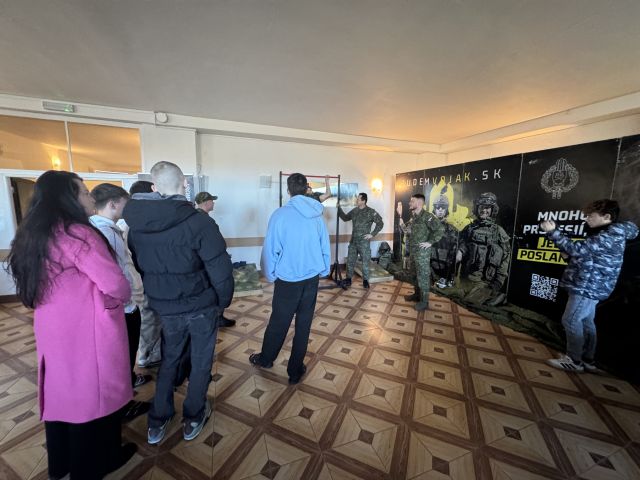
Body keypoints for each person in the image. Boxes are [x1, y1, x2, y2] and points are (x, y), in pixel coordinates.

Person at [7, 170, 136, 479]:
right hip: (87, 327)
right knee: (92, 396)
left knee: (63, 394)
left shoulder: (34, 232)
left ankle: (61, 464)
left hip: (52, 326)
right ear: (68, 197)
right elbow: (115, 283)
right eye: (84, 191)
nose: (90, 197)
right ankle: (92, 465)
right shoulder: (78, 234)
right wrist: (119, 299)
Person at [123, 161, 234, 445]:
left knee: (170, 358)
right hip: (201, 305)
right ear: (185, 184)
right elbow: (220, 269)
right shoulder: (200, 222)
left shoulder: (137, 226)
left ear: (154, 187)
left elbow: (141, 265)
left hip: (165, 305)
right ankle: (194, 416)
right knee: (200, 361)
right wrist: (222, 302)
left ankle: (157, 420)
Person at [249, 173, 330, 384]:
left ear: (288, 190)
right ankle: (295, 371)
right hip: (311, 278)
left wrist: (269, 274)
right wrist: (324, 270)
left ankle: (266, 359)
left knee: (279, 322)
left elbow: (271, 249)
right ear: (306, 189)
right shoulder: (317, 214)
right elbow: (324, 244)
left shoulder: (280, 215)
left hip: (287, 280)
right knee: (304, 324)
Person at [540, 199, 638, 372]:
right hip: (590, 285)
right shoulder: (608, 233)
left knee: (570, 320)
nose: (586, 219)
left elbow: (577, 250)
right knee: (586, 322)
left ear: (606, 216)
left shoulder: (610, 235)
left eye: (590, 215)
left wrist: (552, 231)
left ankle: (574, 361)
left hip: (588, 287)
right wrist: (569, 255)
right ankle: (587, 359)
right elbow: (585, 255)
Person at [90, 184, 151, 421]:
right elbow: (116, 273)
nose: (128, 207)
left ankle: (129, 384)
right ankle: (123, 404)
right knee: (123, 354)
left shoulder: (106, 228)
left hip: (124, 303)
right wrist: (130, 298)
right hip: (122, 305)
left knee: (126, 353)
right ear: (113, 204)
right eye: (125, 203)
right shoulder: (104, 232)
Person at [122, 180, 162, 368]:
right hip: (146, 281)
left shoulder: (133, 221)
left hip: (147, 280)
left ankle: (151, 353)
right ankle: (146, 356)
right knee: (149, 320)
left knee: (152, 319)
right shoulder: (137, 224)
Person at [456, 192, 511, 306]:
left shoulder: (499, 232)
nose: (484, 210)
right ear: (477, 208)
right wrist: (460, 251)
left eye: (487, 208)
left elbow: (505, 259)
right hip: (466, 279)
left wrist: (498, 282)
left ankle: (495, 296)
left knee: (472, 304)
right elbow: (463, 243)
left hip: (485, 283)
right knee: (458, 300)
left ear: (493, 210)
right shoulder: (470, 228)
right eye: (481, 207)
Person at [194, 191, 235, 328]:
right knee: (220, 289)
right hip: (211, 264)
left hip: (208, 262)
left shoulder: (198, 218)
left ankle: (217, 318)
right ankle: (215, 319)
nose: (214, 203)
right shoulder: (204, 220)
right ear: (206, 203)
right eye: (212, 200)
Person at [400, 193, 444, 310]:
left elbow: (440, 229)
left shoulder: (427, 217)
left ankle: (424, 302)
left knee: (423, 277)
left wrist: (430, 242)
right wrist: (401, 220)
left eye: (412, 201)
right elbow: (407, 231)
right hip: (413, 252)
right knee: (414, 275)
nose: (409, 203)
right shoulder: (414, 218)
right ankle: (417, 295)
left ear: (419, 203)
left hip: (422, 254)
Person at [338, 192, 384, 288]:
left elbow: (380, 223)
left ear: (363, 201)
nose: (356, 200)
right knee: (350, 261)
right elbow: (345, 218)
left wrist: (372, 234)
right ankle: (348, 279)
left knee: (365, 262)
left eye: (358, 199)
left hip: (364, 243)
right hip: (353, 242)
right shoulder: (354, 211)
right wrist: (339, 208)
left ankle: (365, 281)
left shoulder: (371, 212)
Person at [430, 194, 459, 288]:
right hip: (430, 267)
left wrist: (450, 276)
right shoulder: (428, 228)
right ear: (434, 209)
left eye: (443, 207)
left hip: (445, 269)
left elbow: (453, 255)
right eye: (438, 207)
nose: (440, 210)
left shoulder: (452, 230)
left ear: (446, 210)